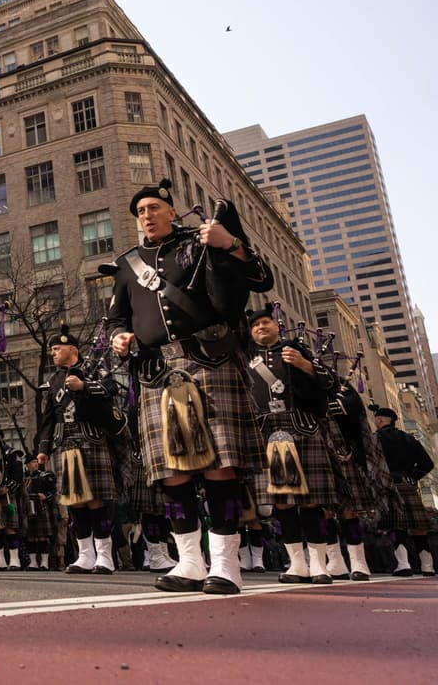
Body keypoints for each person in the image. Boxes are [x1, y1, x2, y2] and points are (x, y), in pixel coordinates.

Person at [109, 179, 273, 594]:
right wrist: (119, 336)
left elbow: (261, 278)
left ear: (170, 210)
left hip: (208, 360)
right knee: (173, 475)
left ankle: (225, 565)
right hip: (156, 370)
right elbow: (117, 317)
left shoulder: (200, 242)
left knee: (221, 468)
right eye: (140, 211)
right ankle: (190, 563)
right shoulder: (129, 265)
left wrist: (231, 242)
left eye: (152, 207)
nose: (146, 215)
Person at [244, 306, 338, 584]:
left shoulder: (297, 349)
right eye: (256, 324)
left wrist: (305, 365)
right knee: (283, 504)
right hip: (267, 431)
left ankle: (319, 564)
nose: (261, 327)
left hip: (302, 427)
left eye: (266, 322)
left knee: (311, 502)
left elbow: (331, 383)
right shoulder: (245, 357)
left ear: (276, 326)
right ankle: (297, 563)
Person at [36, 325, 124, 575]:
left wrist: (84, 386)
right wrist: (43, 448)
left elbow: (111, 389)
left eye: (56, 349)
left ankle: (105, 555)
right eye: (51, 349)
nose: (52, 353)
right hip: (66, 444)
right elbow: (49, 418)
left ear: (71, 349)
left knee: (96, 501)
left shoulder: (94, 368)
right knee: (75, 503)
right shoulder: (53, 381)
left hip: (91, 439)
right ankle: (85, 554)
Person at [325, 376, 393, 580]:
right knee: (324, 511)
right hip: (319, 452)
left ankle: (358, 561)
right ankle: (334, 560)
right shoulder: (306, 384)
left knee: (350, 511)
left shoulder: (343, 389)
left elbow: (356, 416)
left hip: (345, 453)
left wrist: (339, 402)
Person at [372, 406, 435, 576]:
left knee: (395, 526)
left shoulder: (374, 439)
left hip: (387, 484)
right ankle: (427, 566)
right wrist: (412, 476)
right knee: (418, 526)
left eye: (376, 419)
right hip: (408, 485)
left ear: (380, 420)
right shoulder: (409, 438)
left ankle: (403, 564)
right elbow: (428, 464)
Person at [23, 455, 57, 569]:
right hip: (28, 506)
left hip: (41, 506)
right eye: (32, 462)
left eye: (36, 461)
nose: (35, 463)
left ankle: (44, 563)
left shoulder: (44, 475)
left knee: (43, 536)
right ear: (27, 465)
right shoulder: (23, 478)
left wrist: (46, 496)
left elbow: (53, 491)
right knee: (30, 536)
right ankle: (33, 563)